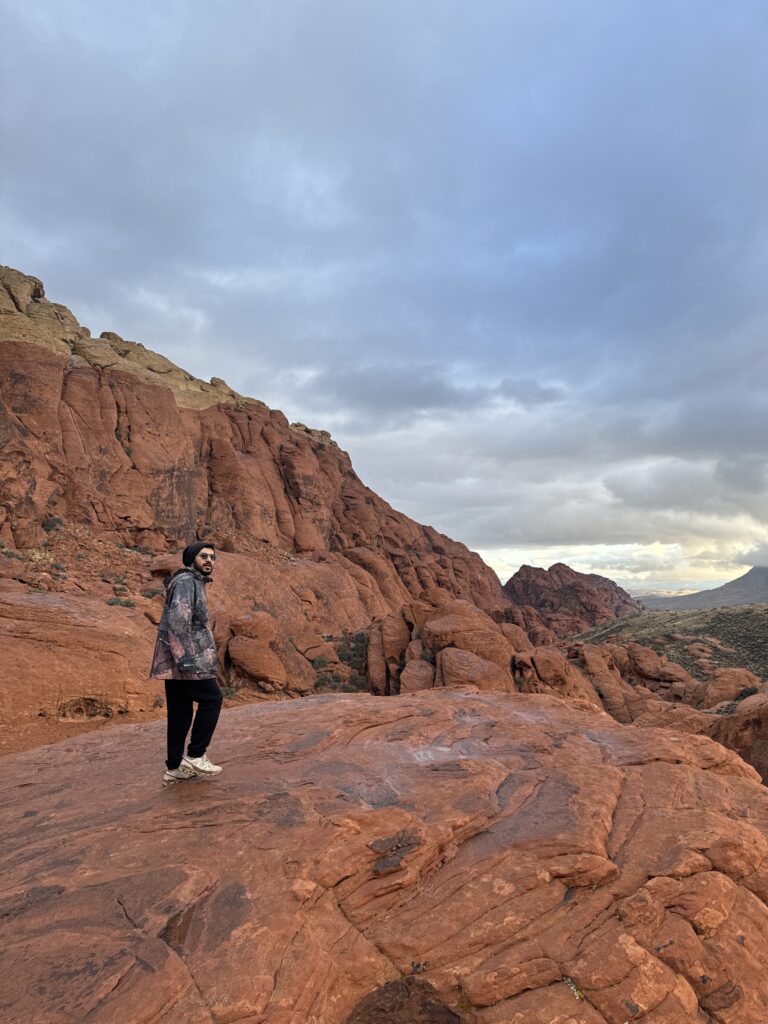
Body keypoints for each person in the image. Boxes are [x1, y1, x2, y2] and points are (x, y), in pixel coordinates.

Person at [150, 541, 224, 785]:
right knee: (212, 699)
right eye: (204, 556)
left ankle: (174, 767)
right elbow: (179, 620)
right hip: (187, 662)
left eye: (212, 557)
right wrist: (185, 660)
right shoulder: (186, 582)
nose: (209, 560)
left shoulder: (192, 582)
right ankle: (195, 755)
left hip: (175, 663)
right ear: (192, 558)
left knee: (180, 714)